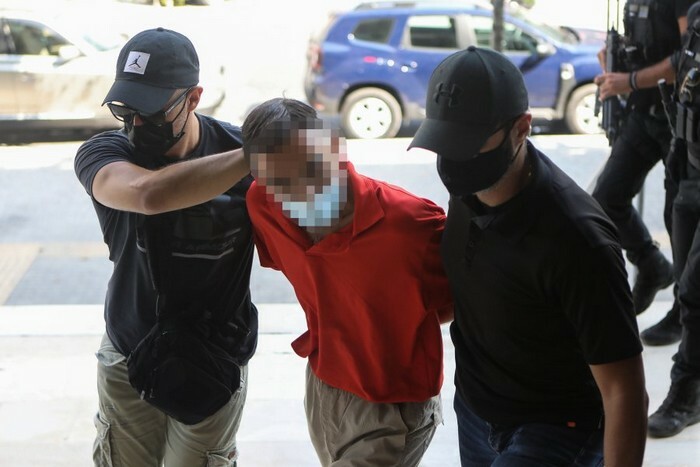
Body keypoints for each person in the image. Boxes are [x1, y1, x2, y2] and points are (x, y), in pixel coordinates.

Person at [409, 46, 648, 466]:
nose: (453, 159)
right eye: (444, 141)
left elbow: (624, 391)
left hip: (556, 427)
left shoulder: (577, 240)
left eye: (468, 144)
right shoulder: (469, 185)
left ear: (521, 129)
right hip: (476, 410)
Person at [74, 28, 257, 466]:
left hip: (215, 359)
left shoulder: (236, 150)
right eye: (126, 108)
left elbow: (326, 213)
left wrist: (307, 149)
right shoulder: (105, 152)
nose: (136, 123)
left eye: (152, 110)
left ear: (194, 98)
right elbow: (147, 195)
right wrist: (257, 155)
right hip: (129, 348)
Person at [243, 97, 453, 466]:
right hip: (323, 386)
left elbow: (452, 305)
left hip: (391, 403)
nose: (302, 190)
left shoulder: (411, 224)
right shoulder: (263, 205)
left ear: (336, 147)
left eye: (312, 169)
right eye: (281, 182)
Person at [593, 0, 691, 345]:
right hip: (641, 113)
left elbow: (688, 59)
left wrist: (630, 80)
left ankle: (685, 311)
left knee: (678, 216)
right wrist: (614, 60)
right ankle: (651, 265)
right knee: (605, 199)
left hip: (679, 117)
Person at [646, 1, 700, 438]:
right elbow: (685, 79)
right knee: (687, 288)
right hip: (691, 172)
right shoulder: (697, 16)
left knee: (695, 288)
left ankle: (686, 392)